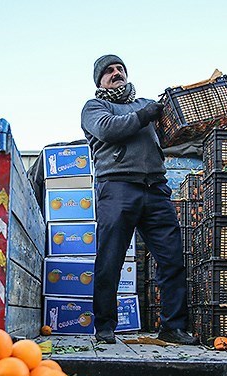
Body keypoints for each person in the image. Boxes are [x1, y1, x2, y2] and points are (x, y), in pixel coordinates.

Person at [81, 54, 197, 345]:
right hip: (118, 186)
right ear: (100, 80)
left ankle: (173, 326)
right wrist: (145, 114)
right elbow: (109, 129)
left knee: (171, 259)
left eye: (120, 68)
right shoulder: (95, 108)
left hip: (155, 189)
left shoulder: (143, 104)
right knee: (110, 258)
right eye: (109, 71)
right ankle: (105, 325)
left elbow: (170, 136)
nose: (116, 73)